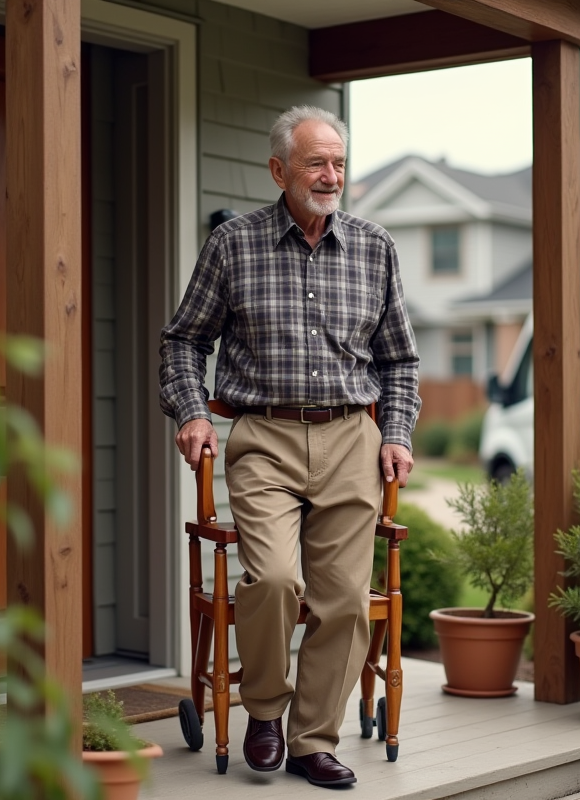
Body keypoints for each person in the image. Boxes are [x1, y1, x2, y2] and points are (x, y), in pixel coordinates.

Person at [158, 105, 420, 788]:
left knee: (343, 602)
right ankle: (265, 710)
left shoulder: (374, 247)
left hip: (350, 439)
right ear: (280, 170)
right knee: (274, 579)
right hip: (265, 436)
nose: (330, 175)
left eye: (338, 162)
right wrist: (191, 413)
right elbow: (184, 339)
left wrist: (394, 433)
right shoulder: (234, 245)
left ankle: (311, 740)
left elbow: (400, 362)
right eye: (316, 163)